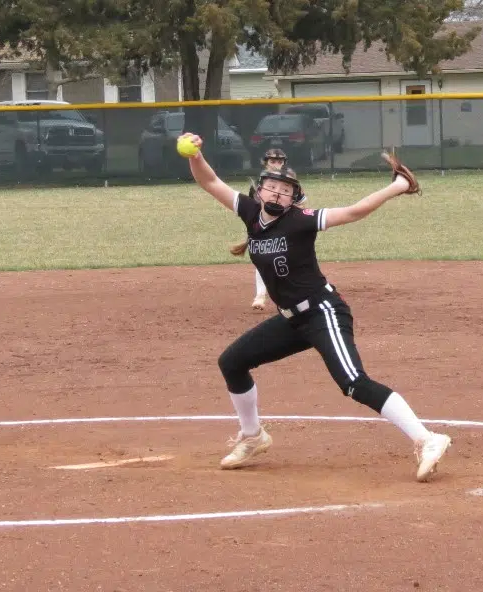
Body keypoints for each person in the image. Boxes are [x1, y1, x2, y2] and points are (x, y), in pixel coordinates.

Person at [180, 131, 452, 483]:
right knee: (232, 362)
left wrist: (398, 186)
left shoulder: (301, 221)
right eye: (271, 187)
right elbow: (209, 180)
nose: (277, 193)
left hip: (323, 312)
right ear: (258, 190)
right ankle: (253, 436)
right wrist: (195, 154)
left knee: (353, 382)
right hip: (291, 320)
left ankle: (427, 439)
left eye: (286, 190)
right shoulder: (250, 214)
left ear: (295, 198)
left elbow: (355, 211)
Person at [237, 148, 308, 310]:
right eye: (272, 161)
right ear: (265, 162)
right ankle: (260, 296)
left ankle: (288, 297)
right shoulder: (260, 182)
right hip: (265, 225)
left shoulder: (290, 179)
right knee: (263, 259)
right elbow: (252, 208)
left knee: (288, 260)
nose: (276, 164)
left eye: (280, 161)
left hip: (286, 224)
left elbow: (302, 201)